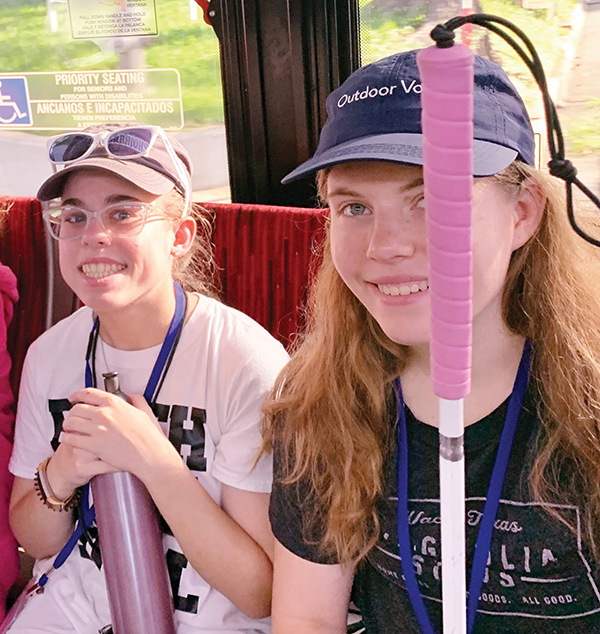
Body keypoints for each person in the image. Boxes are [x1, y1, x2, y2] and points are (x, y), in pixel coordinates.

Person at [263, 49, 600, 634]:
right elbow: (309, 617)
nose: (383, 246)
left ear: (522, 212)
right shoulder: (320, 398)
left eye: (432, 201)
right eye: (355, 207)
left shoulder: (589, 403)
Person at [7, 123, 289, 633]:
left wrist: (155, 463)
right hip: (73, 614)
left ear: (179, 236)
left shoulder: (244, 362)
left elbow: (259, 593)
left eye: (123, 213)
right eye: (74, 216)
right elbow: (38, 539)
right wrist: (62, 472)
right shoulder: (49, 354)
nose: (94, 234)